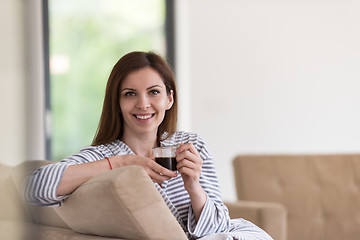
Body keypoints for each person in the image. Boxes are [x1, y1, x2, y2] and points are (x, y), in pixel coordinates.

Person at [24, 51, 273, 240]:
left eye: (153, 92)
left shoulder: (190, 145)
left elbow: (217, 228)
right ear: (117, 102)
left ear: (169, 98)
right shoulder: (103, 156)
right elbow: (33, 187)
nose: (143, 104)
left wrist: (194, 186)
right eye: (130, 94)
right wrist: (122, 163)